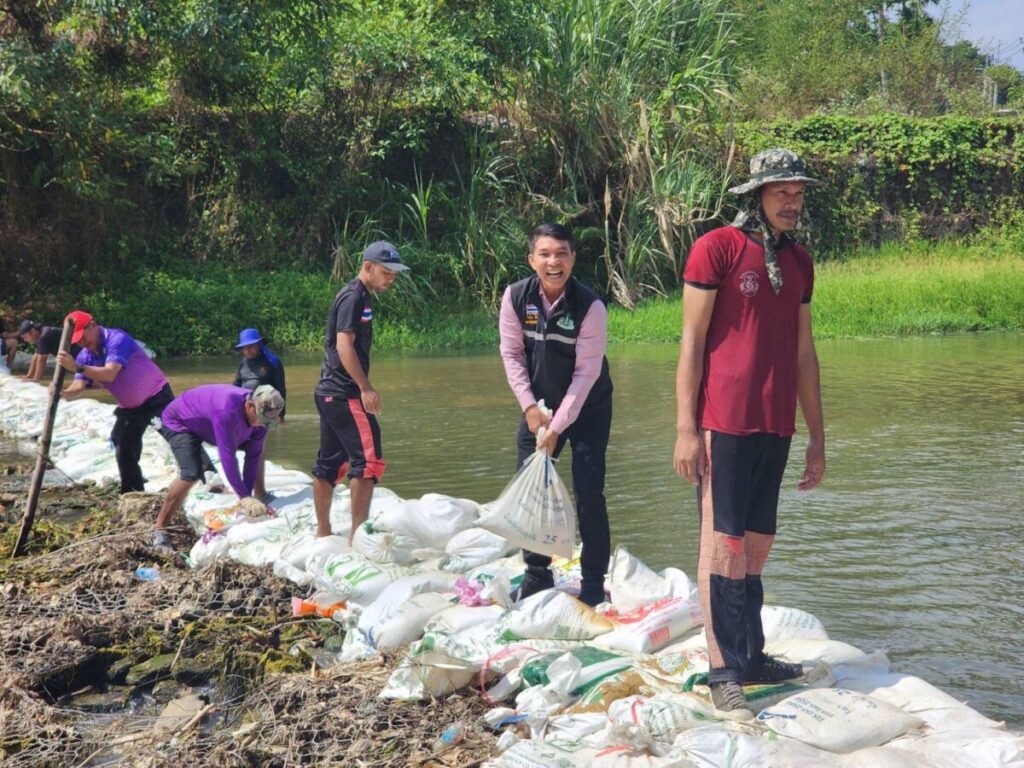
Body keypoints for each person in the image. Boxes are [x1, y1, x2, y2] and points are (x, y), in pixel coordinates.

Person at [673, 148, 827, 719]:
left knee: (758, 541)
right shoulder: (716, 249)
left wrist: (817, 434)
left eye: (799, 192)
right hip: (723, 422)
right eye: (782, 191)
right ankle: (723, 670)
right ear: (756, 194)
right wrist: (686, 428)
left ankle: (752, 655)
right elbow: (691, 343)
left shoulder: (800, 261)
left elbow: (805, 351)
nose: (793, 201)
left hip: (776, 421)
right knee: (723, 542)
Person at [499, 222, 614, 608]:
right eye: (545, 254)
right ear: (532, 259)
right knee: (530, 490)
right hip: (538, 408)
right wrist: (531, 410)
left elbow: (586, 375)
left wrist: (557, 427)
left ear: (573, 259)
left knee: (589, 494)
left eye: (562, 254)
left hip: (588, 408)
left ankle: (594, 583)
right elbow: (512, 355)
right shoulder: (515, 297)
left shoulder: (590, 307)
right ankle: (537, 573)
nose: (554, 262)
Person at [312, 241, 409, 543]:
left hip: (329, 392)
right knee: (368, 460)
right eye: (386, 271)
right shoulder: (354, 297)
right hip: (344, 393)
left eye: (394, 272)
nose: (391, 277)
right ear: (368, 267)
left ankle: (324, 531)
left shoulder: (359, 296)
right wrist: (365, 388)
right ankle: (358, 536)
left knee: (329, 462)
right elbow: (344, 345)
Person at [56, 310, 175, 494]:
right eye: (77, 341)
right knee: (124, 449)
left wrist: (77, 367)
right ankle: (133, 493)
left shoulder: (117, 339)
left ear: (93, 324)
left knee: (178, 437)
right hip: (130, 408)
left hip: (156, 397)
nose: (82, 343)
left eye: (83, 336)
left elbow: (110, 373)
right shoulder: (85, 356)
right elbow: (78, 387)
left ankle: (207, 477)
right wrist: (61, 393)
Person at [152, 383, 284, 549]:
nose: (262, 424)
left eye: (267, 422)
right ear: (250, 406)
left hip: (206, 423)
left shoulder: (261, 417)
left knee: (257, 449)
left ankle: (259, 493)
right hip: (180, 421)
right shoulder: (226, 412)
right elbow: (228, 457)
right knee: (191, 473)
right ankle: (159, 529)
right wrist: (243, 496)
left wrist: (247, 496)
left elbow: (253, 457)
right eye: (261, 420)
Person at [233, 327, 287, 500]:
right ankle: (247, 490)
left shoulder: (272, 362)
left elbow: (281, 388)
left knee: (258, 450)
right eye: (245, 347)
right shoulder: (243, 363)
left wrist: (281, 415)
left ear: (259, 345)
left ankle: (259, 491)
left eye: (252, 346)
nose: (248, 350)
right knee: (246, 449)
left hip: (263, 413)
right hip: (244, 412)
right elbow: (235, 386)